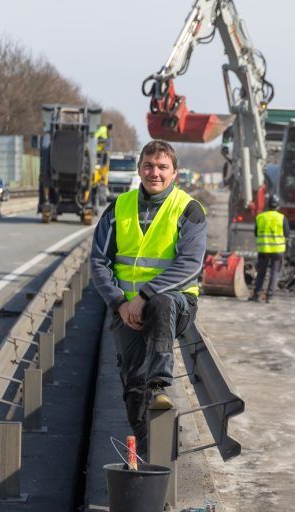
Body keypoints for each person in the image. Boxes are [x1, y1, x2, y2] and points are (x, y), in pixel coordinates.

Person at [90, 140, 206, 452]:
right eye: (149, 166)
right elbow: (99, 262)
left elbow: (190, 265)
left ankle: (160, 386)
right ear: (140, 169)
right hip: (125, 309)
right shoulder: (118, 208)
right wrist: (120, 303)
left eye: (162, 167)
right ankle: (146, 450)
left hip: (176, 305)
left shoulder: (189, 210)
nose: (154, 172)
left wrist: (143, 296)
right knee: (132, 389)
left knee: (161, 303)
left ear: (175, 174)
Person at [251, 194, 289, 303]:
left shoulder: (260, 217)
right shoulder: (282, 218)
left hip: (264, 250)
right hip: (277, 251)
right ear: (278, 206)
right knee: (274, 272)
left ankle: (257, 294)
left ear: (267, 205)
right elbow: (287, 234)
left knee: (261, 272)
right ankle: (269, 296)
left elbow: (256, 233)